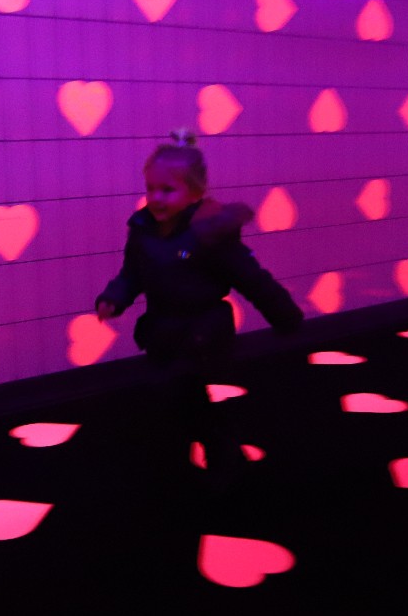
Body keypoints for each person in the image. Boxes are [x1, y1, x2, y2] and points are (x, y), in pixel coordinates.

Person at [95, 130, 303, 492]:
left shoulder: (210, 234)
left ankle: (223, 459)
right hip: (162, 329)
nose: (156, 198)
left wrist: (283, 314)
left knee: (182, 395)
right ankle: (194, 458)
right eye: (151, 188)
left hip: (201, 333)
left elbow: (251, 277)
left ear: (195, 192)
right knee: (176, 399)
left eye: (167, 189)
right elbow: (132, 273)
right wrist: (115, 297)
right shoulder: (143, 229)